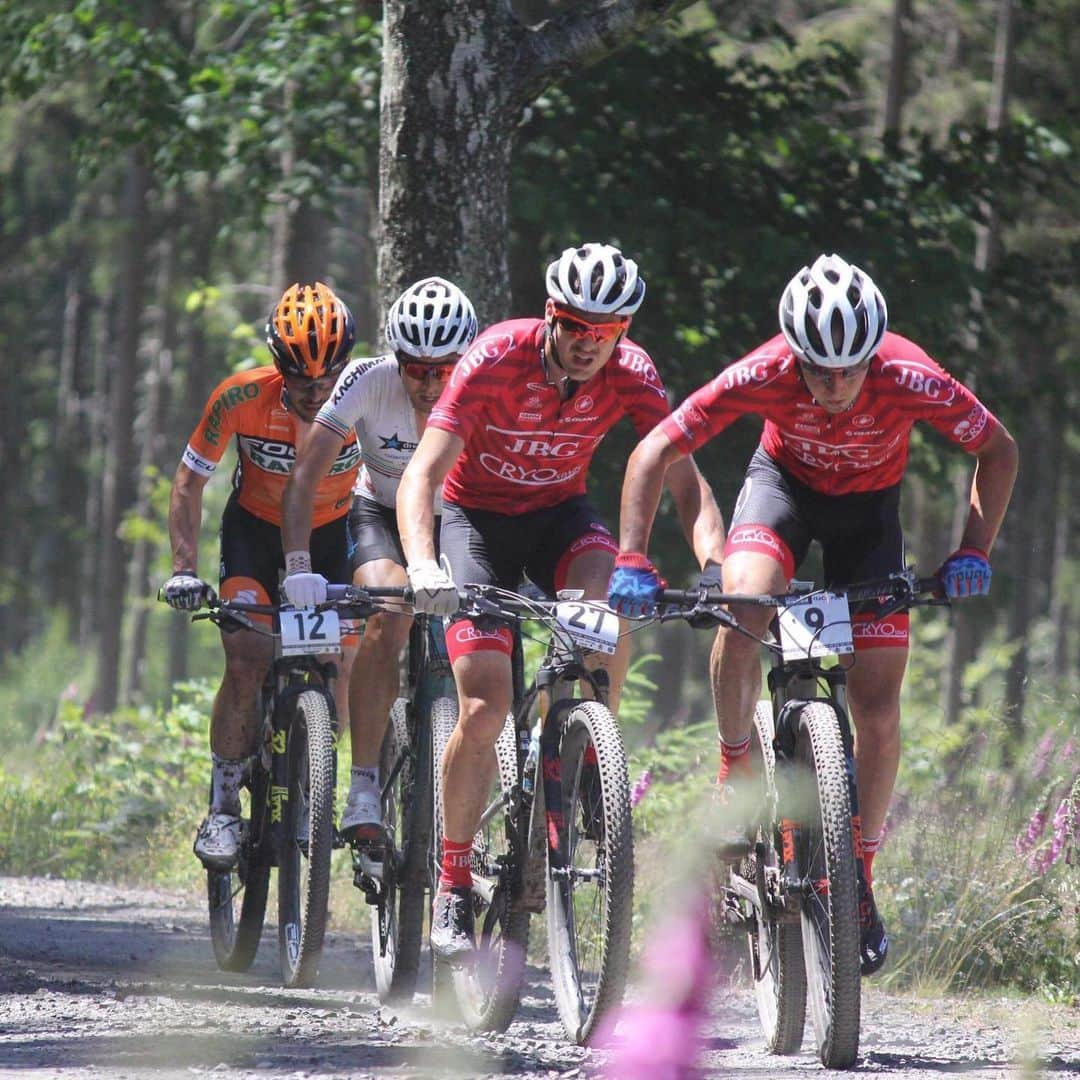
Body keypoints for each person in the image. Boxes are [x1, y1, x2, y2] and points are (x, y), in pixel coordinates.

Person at [607, 253, 1018, 976]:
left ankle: (856, 874)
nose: (832, 385)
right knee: (746, 601)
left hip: (869, 520)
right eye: (816, 369)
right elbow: (654, 450)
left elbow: (998, 448)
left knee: (880, 706)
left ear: (873, 356)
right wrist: (634, 557)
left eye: (849, 369)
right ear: (792, 353)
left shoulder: (909, 374)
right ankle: (735, 763)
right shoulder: (767, 369)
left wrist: (972, 548)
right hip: (783, 496)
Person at [396, 243, 725, 961]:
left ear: (625, 331)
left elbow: (685, 480)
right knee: (482, 707)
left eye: (606, 331)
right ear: (551, 315)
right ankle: (452, 882)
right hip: (474, 523)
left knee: (607, 606)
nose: (588, 343)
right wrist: (423, 564)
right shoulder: (493, 358)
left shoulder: (634, 374)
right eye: (576, 325)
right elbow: (421, 475)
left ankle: (584, 760)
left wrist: (717, 563)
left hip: (559, 518)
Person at [161, 281, 360, 871]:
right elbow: (189, 480)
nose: (318, 393)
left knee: (339, 663)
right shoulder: (240, 397)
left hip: (331, 539)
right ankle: (223, 803)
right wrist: (182, 570)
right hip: (253, 534)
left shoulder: (365, 398)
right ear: (279, 368)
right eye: (303, 381)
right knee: (246, 655)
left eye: (330, 379)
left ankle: (313, 775)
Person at [280, 276, 479, 842]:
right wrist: (297, 564)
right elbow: (304, 478)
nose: (431, 381)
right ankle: (364, 784)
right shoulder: (365, 380)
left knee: (493, 628)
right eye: (417, 368)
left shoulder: (485, 385)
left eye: (445, 368)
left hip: (458, 522)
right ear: (397, 358)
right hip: (382, 515)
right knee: (388, 611)